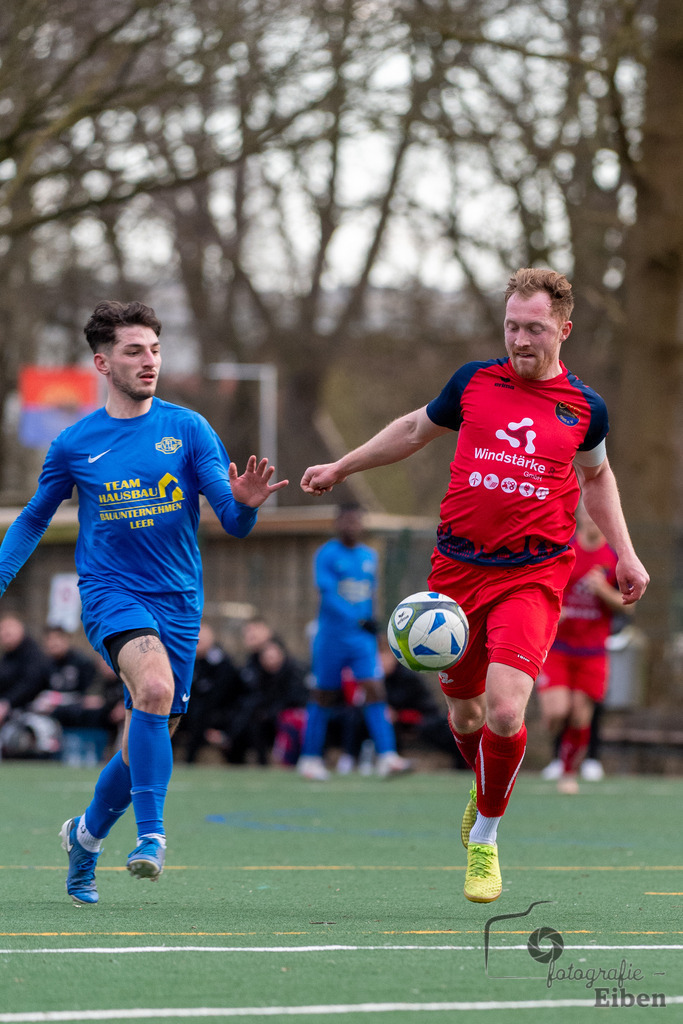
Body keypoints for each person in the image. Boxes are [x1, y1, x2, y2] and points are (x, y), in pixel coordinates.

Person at [301, 267, 649, 903]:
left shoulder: (584, 409)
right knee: (467, 715)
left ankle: (485, 838)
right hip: (456, 572)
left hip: (536, 572)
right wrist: (341, 466)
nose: (520, 338)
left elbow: (597, 480)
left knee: (509, 709)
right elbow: (411, 431)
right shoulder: (472, 382)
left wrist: (625, 554)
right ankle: (484, 782)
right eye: (512, 325)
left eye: (535, 328)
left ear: (563, 331)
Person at [0, 299, 287, 905]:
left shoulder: (188, 429)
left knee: (148, 735)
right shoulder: (75, 444)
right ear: (103, 363)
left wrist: (249, 502)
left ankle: (84, 836)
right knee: (151, 692)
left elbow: (232, 524)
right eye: (134, 351)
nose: (149, 361)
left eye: (155, 349)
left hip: (180, 603)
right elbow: (31, 521)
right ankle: (151, 838)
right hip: (112, 595)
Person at [297, 503, 412, 781]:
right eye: (346, 521)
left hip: (361, 640)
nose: (352, 525)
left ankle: (387, 756)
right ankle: (310, 758)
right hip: (332, 637)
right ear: (338, 523)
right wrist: (357, 619)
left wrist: (372, 627)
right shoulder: (327, 554)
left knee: (374, 689)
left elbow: (369, 596)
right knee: (324, 694)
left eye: (356, 521)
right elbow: (328, 595)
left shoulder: (369, 556)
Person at [536, 504, 629, 793]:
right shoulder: (564, 552)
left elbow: (630, 604)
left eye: (596, 517)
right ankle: (559, 756)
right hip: (559, 648)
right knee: (556, 713)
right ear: (578, 519)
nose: (591, 522)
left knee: (579, 714)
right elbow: (542, 590)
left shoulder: (614, 558)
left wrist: (604, 591)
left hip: (592, 651)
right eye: (587, 517)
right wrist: (554, 610)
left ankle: (567, 772)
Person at [176, 621, 247, 764]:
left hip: (217, 715)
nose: (198, 641)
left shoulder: (223, 664)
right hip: (191, 713)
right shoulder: (187, 661)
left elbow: (222, 695)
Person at [0, 612, 51, 726]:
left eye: (9, 628)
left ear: (20, 628)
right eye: (2, 629)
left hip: (30, 713)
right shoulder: (7, 656)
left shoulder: (33, 654)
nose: (4, 632)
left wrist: (7, 703)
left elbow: (31, 683)